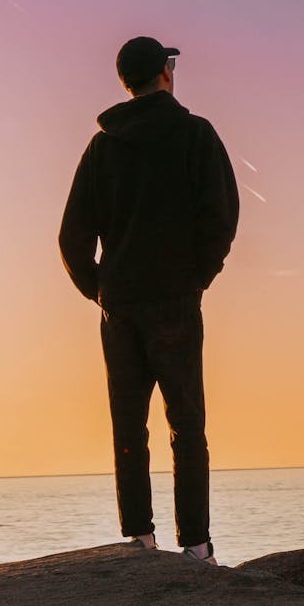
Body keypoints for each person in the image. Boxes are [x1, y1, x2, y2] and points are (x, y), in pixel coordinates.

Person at [59, 36, 239, 564]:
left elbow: (72, 238)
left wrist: (101, 290)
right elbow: (222, 218)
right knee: (186, 424)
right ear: (165, 72)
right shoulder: (194, 134)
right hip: (174, 302)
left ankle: (139, 538)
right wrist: (196, 279)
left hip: (120, 307)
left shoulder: (102, 147)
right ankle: (196, 546)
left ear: (125, 82)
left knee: (128, 423)